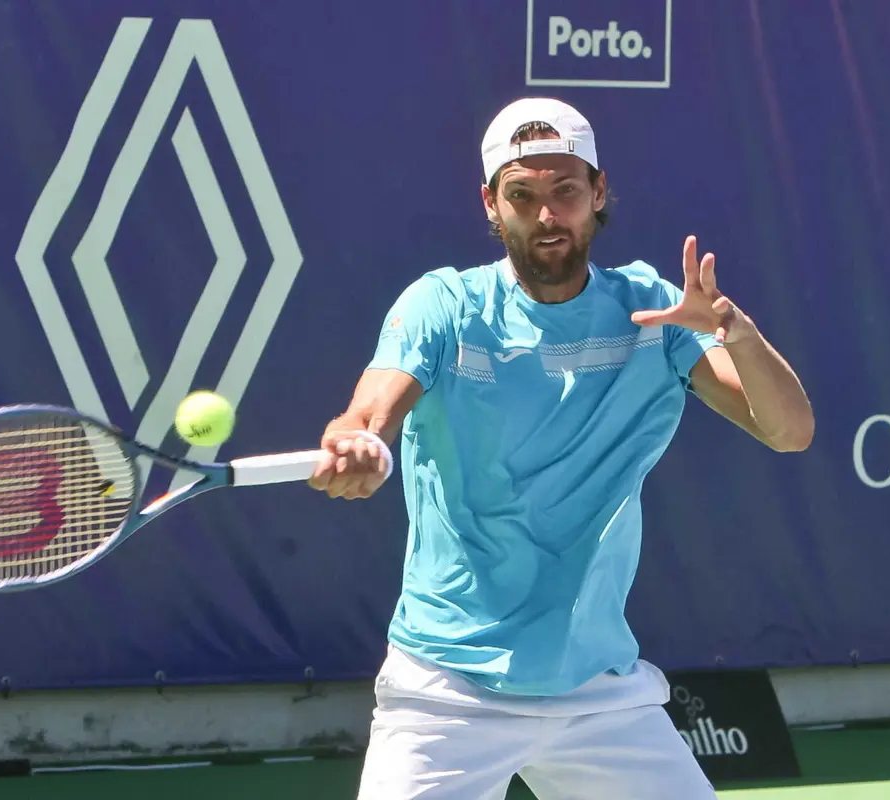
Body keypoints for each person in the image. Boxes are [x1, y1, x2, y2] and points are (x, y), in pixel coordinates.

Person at [308, 97, 814, 799]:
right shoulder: (444, 305)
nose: (547, 215)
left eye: (565, 191)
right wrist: (356, 443)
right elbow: (368, 410)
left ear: (597, 192)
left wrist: (738, 332)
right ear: (491, 204)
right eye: (523, 195)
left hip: (597, 688)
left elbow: (789, 433)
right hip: (448, 687)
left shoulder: (654, 311)